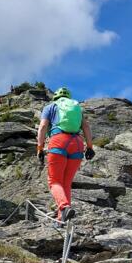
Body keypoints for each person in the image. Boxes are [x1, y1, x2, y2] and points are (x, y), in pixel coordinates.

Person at [36, 87, 95, 225]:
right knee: (66, 183)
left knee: (54, 181)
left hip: (59, 141)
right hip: (77, 143)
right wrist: (90, 147)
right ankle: (61, 219)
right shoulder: (77, 108)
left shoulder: (50, 107)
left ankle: (63, 207)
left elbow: (43, 126)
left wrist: (40, 148)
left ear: (55, 97)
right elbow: (86, 127)